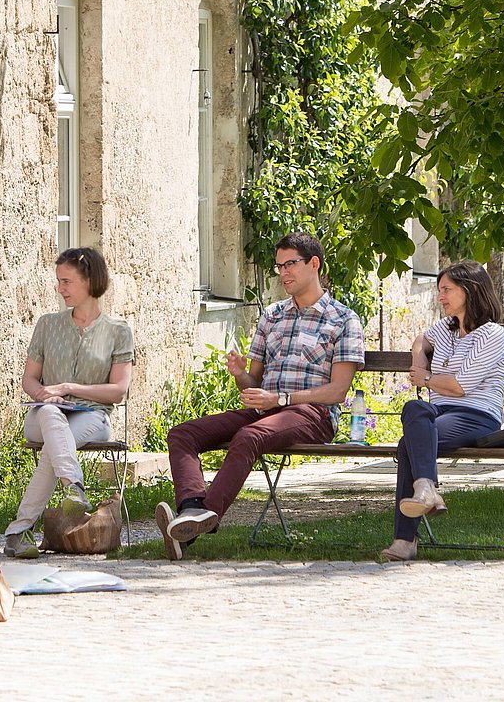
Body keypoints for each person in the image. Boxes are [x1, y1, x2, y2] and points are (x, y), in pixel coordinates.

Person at [155, 232, 363, 560]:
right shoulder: (273, 315)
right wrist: (241, 374)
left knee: (249, 436)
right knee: (183, 434)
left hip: (313, 415)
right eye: (279, 266)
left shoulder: (343, 319)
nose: (283, 273)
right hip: (264, 413)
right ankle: (192, 509)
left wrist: (280, 400)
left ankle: (200, 521)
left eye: (290, 264)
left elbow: (337, 392)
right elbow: (253, 383)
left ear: (314, 264)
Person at [1, 246, 133, 559]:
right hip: (43, 415)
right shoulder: (47, 324)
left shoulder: (118, 331)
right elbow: (29, 379)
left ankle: (18, 532)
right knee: (50, 416)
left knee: (56, 447)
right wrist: (44, 394)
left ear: (90, 281)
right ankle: (72, 486)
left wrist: (70, 388)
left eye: (67, 282)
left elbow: (118, 391)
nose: (60, 289)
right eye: (59, 281)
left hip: (92, 417)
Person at [378, 260, 504, 562]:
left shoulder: (491, 334)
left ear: (470, 290)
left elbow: (460, 386)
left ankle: (405, 540)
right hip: (438, 412)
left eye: (446, 290)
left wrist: (425, 379)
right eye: (439, 290)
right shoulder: (447, 328)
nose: (440, 297)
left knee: (408, 445)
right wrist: (419, 360)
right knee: (414, 407)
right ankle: (426, 489)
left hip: (477, 416)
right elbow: (420, 341)